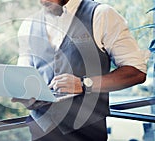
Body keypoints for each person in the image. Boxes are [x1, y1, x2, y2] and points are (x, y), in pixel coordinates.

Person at [12, 0, 147, 140]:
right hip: (40, 129)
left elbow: (136, 72)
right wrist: (24, 93)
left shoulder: (101, 14)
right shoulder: (28, 25)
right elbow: (25, 75)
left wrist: (85, 84)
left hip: (87, 131)